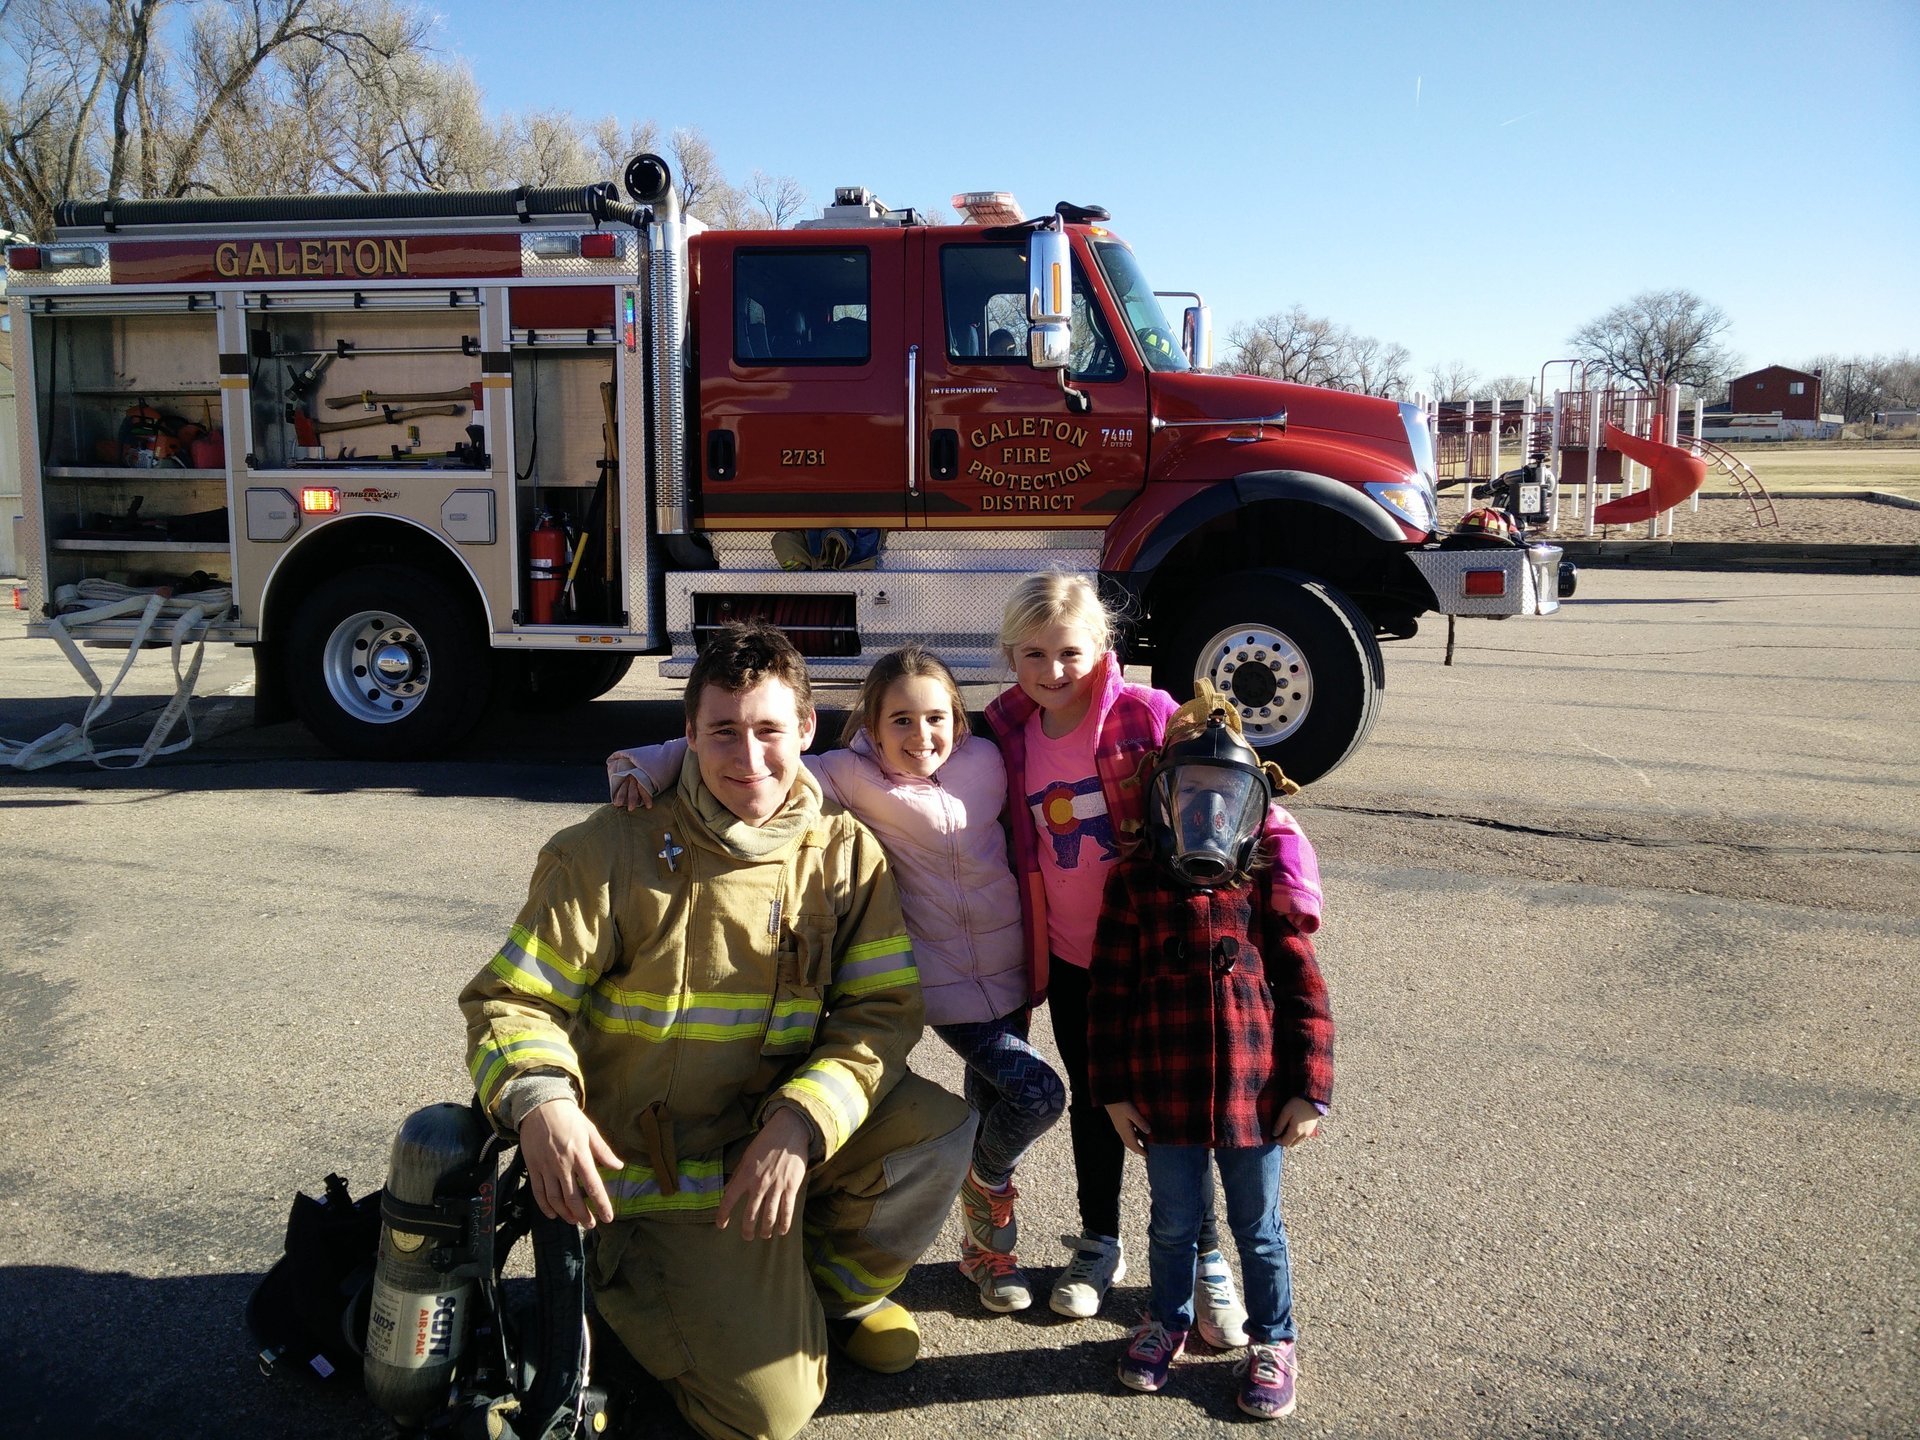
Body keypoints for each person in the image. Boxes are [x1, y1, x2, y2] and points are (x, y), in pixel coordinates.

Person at [462, 621, 976, 1440]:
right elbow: (511, 1001)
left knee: (938, 1130)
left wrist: (801, 1120)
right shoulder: (607, 850)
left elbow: (880, 1015)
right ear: (690, 735)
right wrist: (540, 1104)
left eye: (770, 731)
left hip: (771, 1143)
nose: (748, 760)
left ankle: (828, 1296)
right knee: (769, 1415)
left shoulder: (845, 854)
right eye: (723, 734)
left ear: (806, 731)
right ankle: (633, 1282)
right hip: (657, 1183)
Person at [608, 645, 1065, 1316]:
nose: (921, 736)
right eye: (901, 721)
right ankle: (982, 1181)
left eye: (936, 718)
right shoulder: (851, 776)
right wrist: (641, 765)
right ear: (870, 729)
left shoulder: (987, 761)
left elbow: (1054, 735)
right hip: (946, 988)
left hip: (1015, 973)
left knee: (997, 1104)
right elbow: (754, 752)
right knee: (1038, 1095)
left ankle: (986, 1255)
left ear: (959, 723)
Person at [984, 571, 1325, 1334]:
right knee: (1101, 1101)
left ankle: (1207, 1257)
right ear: (1011, 656)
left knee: (1189, 1107)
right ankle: (1099, 1242)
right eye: (1033, 654)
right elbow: (914, 742)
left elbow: (1254, 808)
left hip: (1168, 952)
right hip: (1078, 960)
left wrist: (1294, 891)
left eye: (1070, 652)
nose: (1052, 671)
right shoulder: (1006, 728)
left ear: (1103, 647)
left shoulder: (1152, 715)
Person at [1088, 690, 1334, 1419]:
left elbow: (1305, 992)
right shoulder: (1134, 883)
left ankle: (1273, 1340)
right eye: (1190, 793)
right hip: (1164, 1095)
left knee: (1259, 1230)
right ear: (1161, 800)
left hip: (1256, 1102)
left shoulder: (1262, 886)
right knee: (1171, 1220)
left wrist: (1310, 1090)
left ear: (1252, 808)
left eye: (1225, 797)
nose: (1207, 812)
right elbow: (1107, 995)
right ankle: (1165, 1321)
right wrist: (1112, 1092)